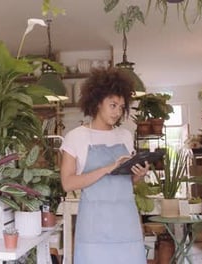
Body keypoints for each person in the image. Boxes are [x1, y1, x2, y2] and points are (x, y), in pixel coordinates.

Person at [60, 67, 150, 263]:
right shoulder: (76, 137)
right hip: (94, 228)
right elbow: (67, 183)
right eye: (113, 105)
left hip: (126, 223)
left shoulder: (125, 136)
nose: (117, 112)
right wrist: (108, 168)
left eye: (121, 107)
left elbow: (128, 183)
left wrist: (139, 174)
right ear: (97, 102)